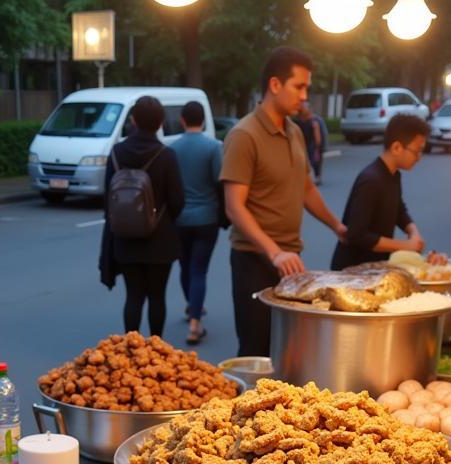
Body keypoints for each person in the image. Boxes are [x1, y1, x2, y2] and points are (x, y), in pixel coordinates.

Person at [221, 47, 346, 358]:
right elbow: (234, 206)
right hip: (255, 260)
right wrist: (274, 252)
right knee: (257, 349)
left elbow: (305, 189)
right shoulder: (244, 135)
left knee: (289, 349)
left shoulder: (294, 132)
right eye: (299, 87)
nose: (305, 96)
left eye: (307, 87)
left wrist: (337, 226)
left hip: (291, 261)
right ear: (275, 85)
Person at [99, 96, 184, 339]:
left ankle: (132, 350)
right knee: (157, 296)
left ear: (133, 120)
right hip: (160, 238)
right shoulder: (166, 155)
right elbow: (178, 200)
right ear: (160, 123)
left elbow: (108, 198)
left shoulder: (117, 153)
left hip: (125, 238)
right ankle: (155, 348)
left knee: (133, 295)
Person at [330, 113, 428, 271]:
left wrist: (413, 231)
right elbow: (357, 235)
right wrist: (404, 246)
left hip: (373, 266)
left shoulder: (393, 175)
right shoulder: (371, 180)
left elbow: (398, 209)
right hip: (352, 270)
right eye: (416, 151)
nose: (419, 157)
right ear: (396, 147)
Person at [173, 100, 223, 344]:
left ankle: (191, 306)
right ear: (203, 120)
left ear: (182, 120)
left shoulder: (173, 148)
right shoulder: (214, 147)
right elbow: (220, 181)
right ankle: (195, 324)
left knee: (185, 266)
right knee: (199, 269)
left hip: (179, 219)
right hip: (206, 218)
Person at [297, 103, 323, 185]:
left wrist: (318, 147)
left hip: (312, 145)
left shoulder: (314, 122)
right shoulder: (299, 122)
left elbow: (318, 136)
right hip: (303, 144)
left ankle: (316, 176)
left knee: (314, 161)